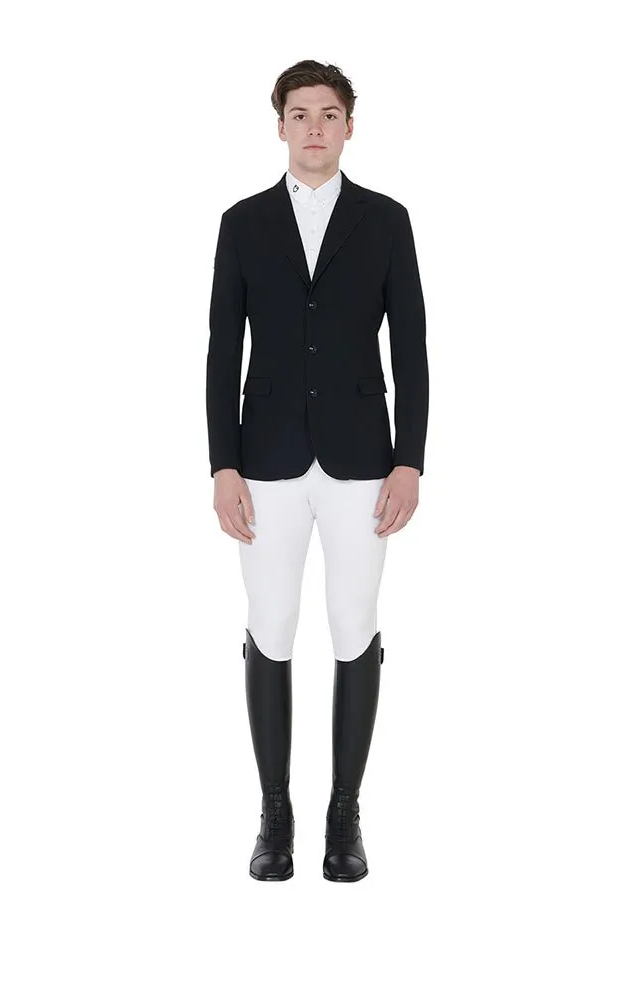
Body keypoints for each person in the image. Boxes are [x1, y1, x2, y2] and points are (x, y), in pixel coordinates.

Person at [206, 60, 429, 882]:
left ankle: (345, 816)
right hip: (264, 461)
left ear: (348, 127)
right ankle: (275, 818)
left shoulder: (386, 220)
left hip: (362, 460)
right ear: (280, 126)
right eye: (299, 114)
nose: (313, 127)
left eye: (328, 114)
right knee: (269, 624)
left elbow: (411, 346)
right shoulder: (242, 222)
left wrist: (409, 460)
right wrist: (222, 464)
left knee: (353, 622)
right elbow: (222, 349)